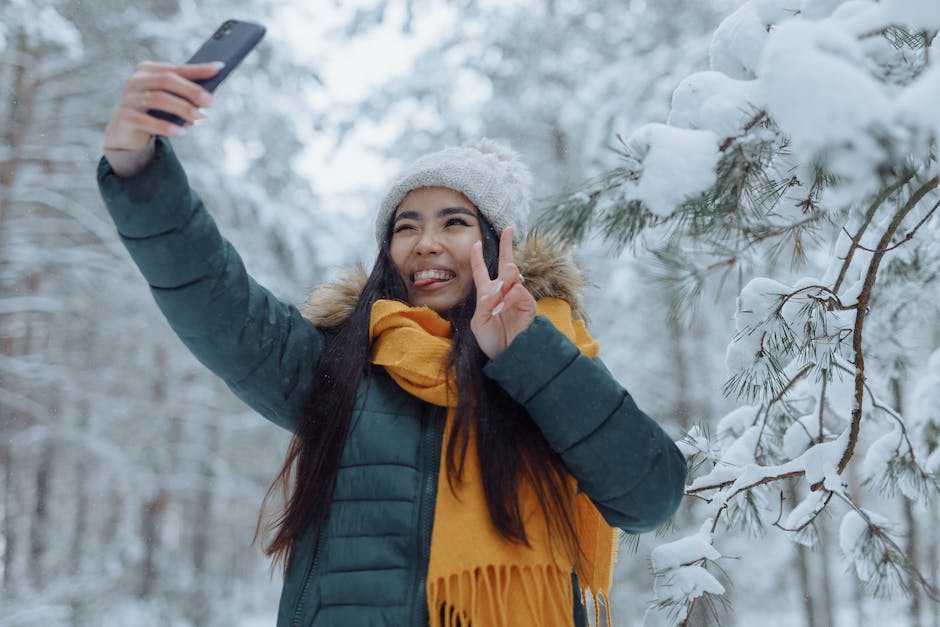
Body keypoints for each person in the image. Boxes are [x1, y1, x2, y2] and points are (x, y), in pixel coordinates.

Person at [98, 61, 687, 627]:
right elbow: (214, 297)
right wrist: (137, 169)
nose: (426, 243)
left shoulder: (550, 354)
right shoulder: (337, 366)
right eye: (406, 227)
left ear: (496, 243)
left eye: (454, 223)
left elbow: (650, 496)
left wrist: (524, 352)